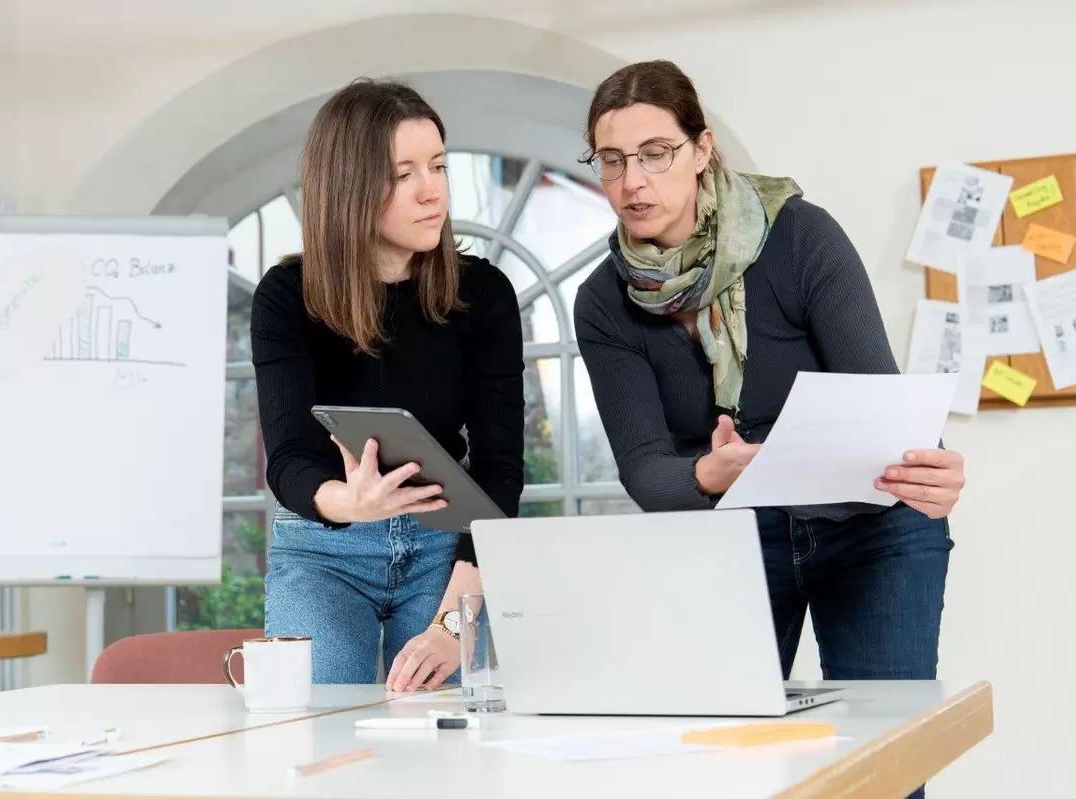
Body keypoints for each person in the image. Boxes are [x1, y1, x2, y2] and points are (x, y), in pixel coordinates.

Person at [574, 60, 965, 699]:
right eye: (611, 160)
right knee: (722, 758)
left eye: (655, 153)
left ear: (701, 150)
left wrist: (930, 469)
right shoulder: (601, 302)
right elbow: (645, 471)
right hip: (732, 533)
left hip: (870, 526)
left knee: (886, 767)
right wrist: (712, 473)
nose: (632, 181)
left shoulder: (799, 236)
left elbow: (879, 402)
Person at [250, 78, 525, 691]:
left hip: (444, 551)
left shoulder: (484, 295)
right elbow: (290, 459)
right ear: (348, 187)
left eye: (438, 166)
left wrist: (455, 625)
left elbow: (500, 471)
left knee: (448, 742)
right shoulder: (285, 298)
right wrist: (351, 503)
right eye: (404, 175)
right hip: (323, 549)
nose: (433, 192)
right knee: (313, 729)